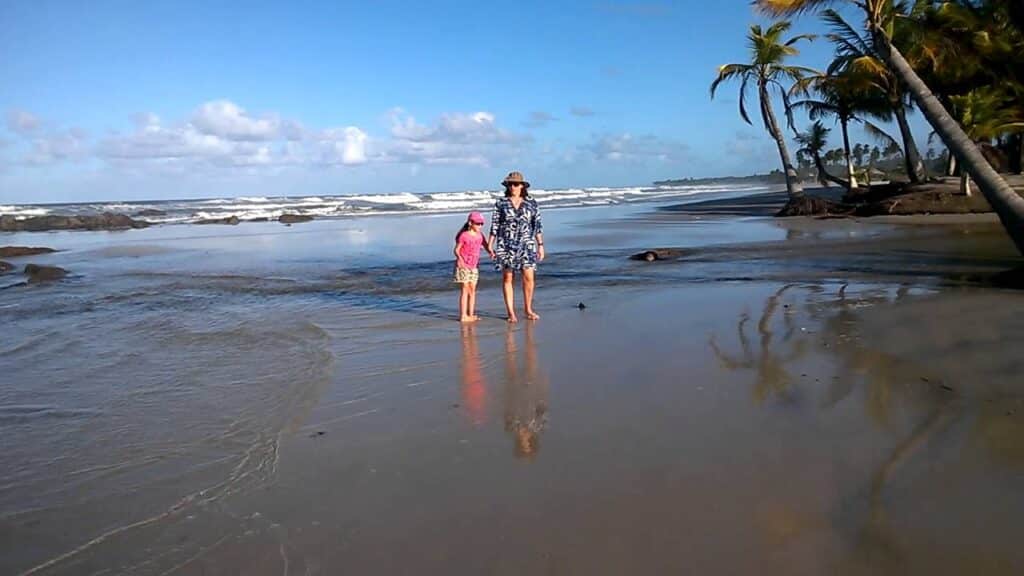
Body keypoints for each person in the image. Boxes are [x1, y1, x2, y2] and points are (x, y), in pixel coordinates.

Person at [488, 171, 544, 323]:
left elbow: (537, 225)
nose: (513, 187)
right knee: (508, 277)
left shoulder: (531, 203)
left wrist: (540, 245)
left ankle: (528, 309)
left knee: (529, 277)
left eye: (516, 184)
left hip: (527, 244)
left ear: (522, 186)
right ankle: (511, 312)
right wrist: (490, 244)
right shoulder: (501, 203)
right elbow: (495, 224)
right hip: (506, 244)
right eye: (510, 184)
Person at [453, 211, 488, 322]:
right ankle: (463, 315)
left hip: (474, 266)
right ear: (470, 223)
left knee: (472, 290)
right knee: (465, 289)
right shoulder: (464, 235)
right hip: (463, 265)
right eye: (477, 223)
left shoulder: (480, 235)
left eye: (481, 224)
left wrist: (492, 253)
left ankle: (471, 314)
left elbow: (486, 245)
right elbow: (456, 250)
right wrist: (460, 259)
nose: (480, 226)